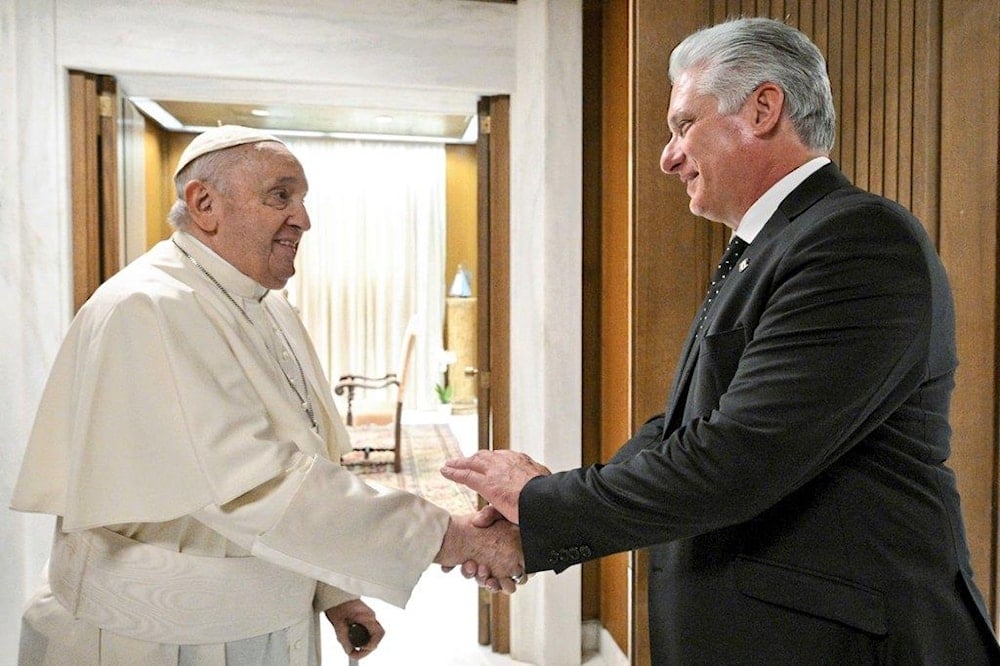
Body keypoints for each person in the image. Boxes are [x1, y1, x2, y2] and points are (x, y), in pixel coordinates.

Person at [442, 17, 1000, 664]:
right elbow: (684, 432)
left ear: (763, 108)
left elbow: (739, 456)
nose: (667, 156)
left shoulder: (857, 242)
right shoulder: (773, 247)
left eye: (684, 125)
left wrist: (544, 507)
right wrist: (543, 518)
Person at [11, 125, 524, 665]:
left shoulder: (270, 306)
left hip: (269, 628)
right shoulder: (149, 307)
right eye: (280, 196)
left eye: (302, 200)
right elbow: (253, 486)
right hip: (156, 640)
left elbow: (305, 465)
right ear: (204, 204)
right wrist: (458, 538)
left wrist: (332, 591)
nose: (303, 219)